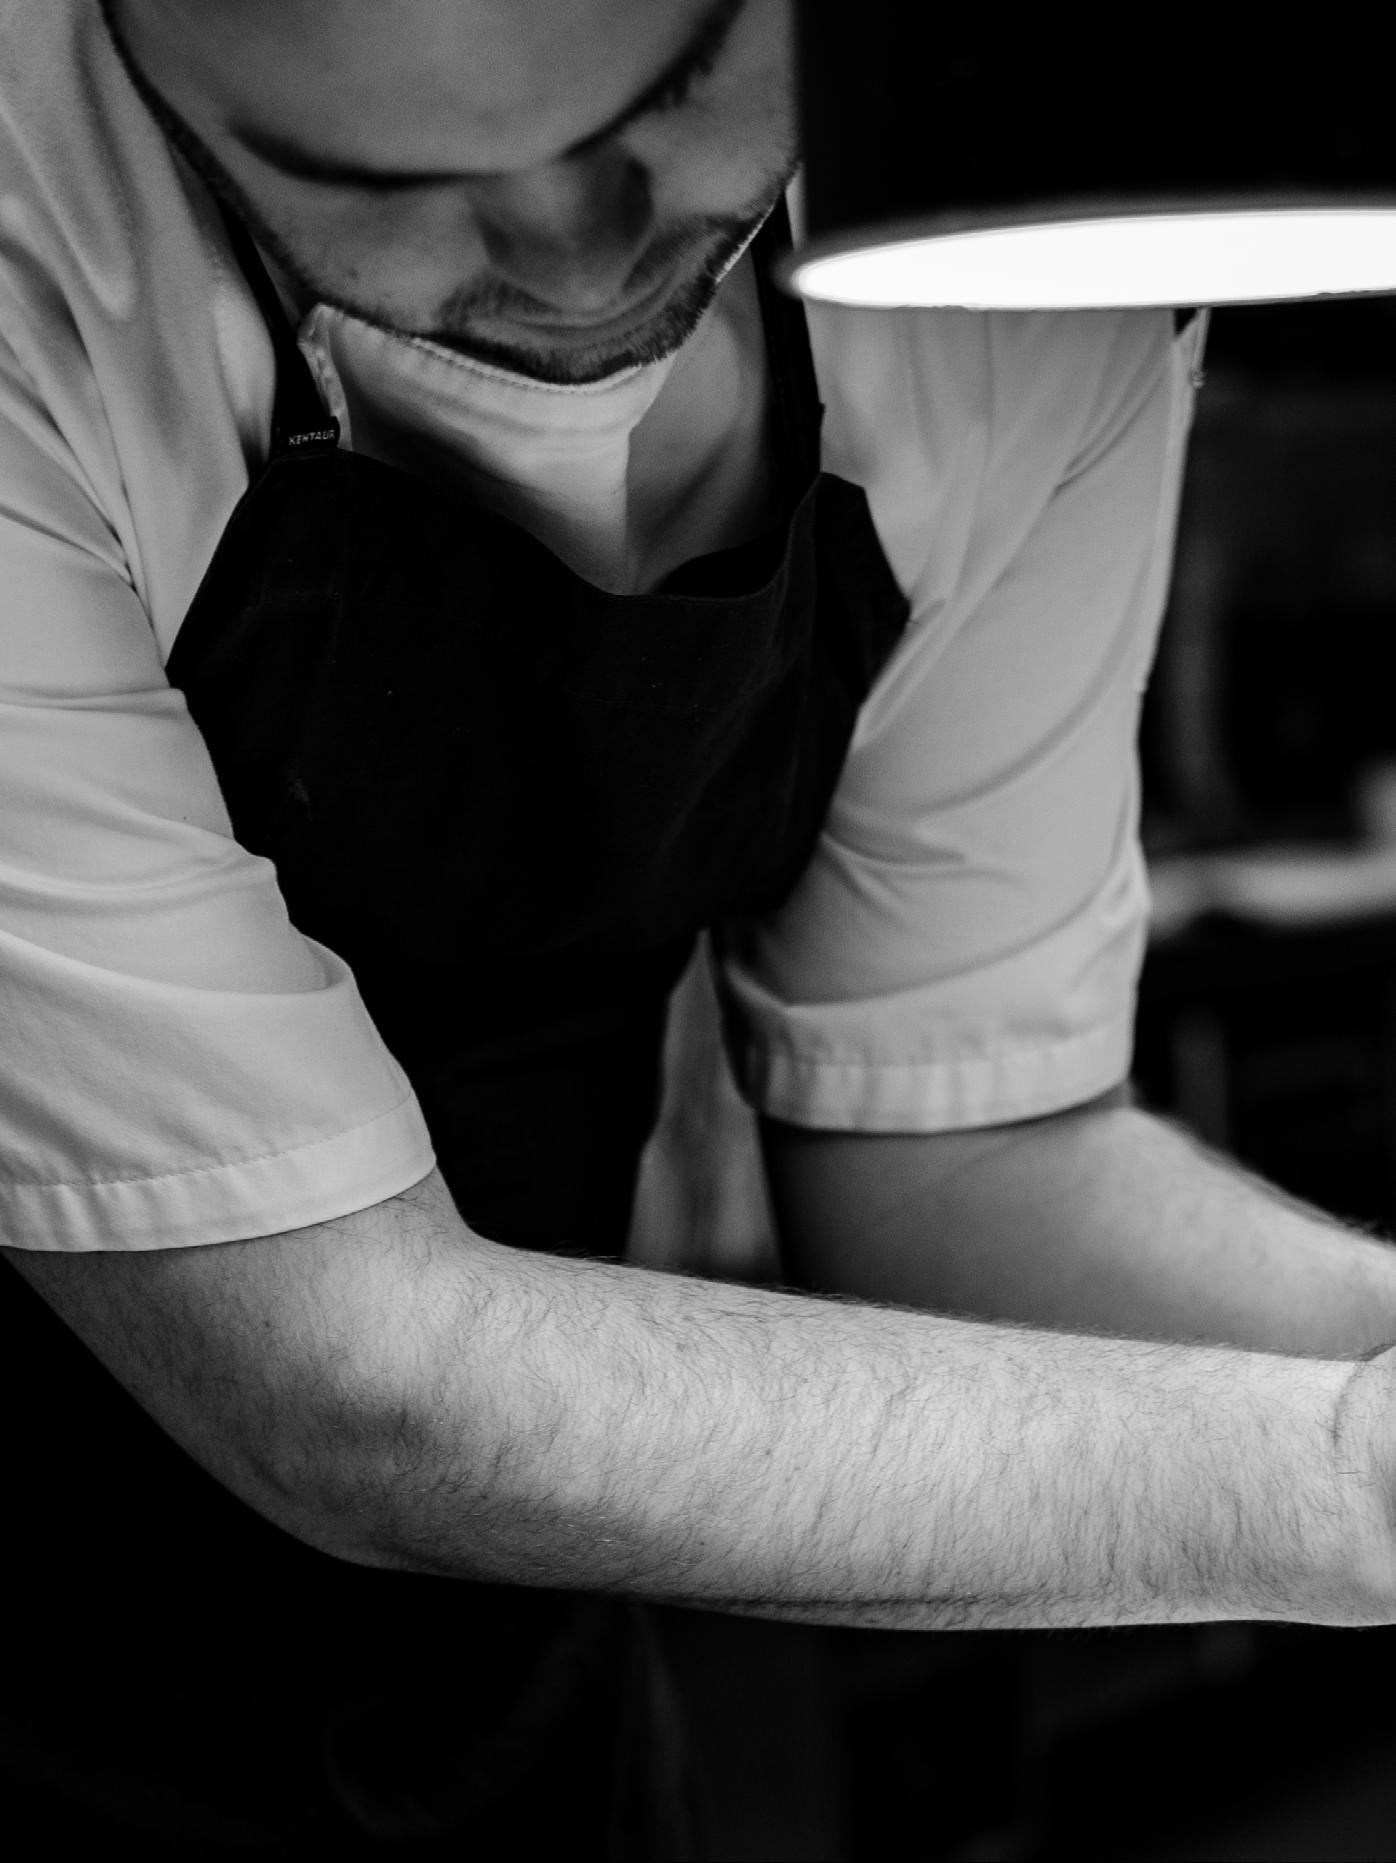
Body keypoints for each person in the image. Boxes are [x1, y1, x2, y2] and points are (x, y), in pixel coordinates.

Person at [1, 1, 1395, 1856]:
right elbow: (344, 1377)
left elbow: (960, 1165)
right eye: (371, 181)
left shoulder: (996, 226)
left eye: (670, 101)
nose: (577, 255)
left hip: (528, 1695)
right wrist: (1340, 1485)